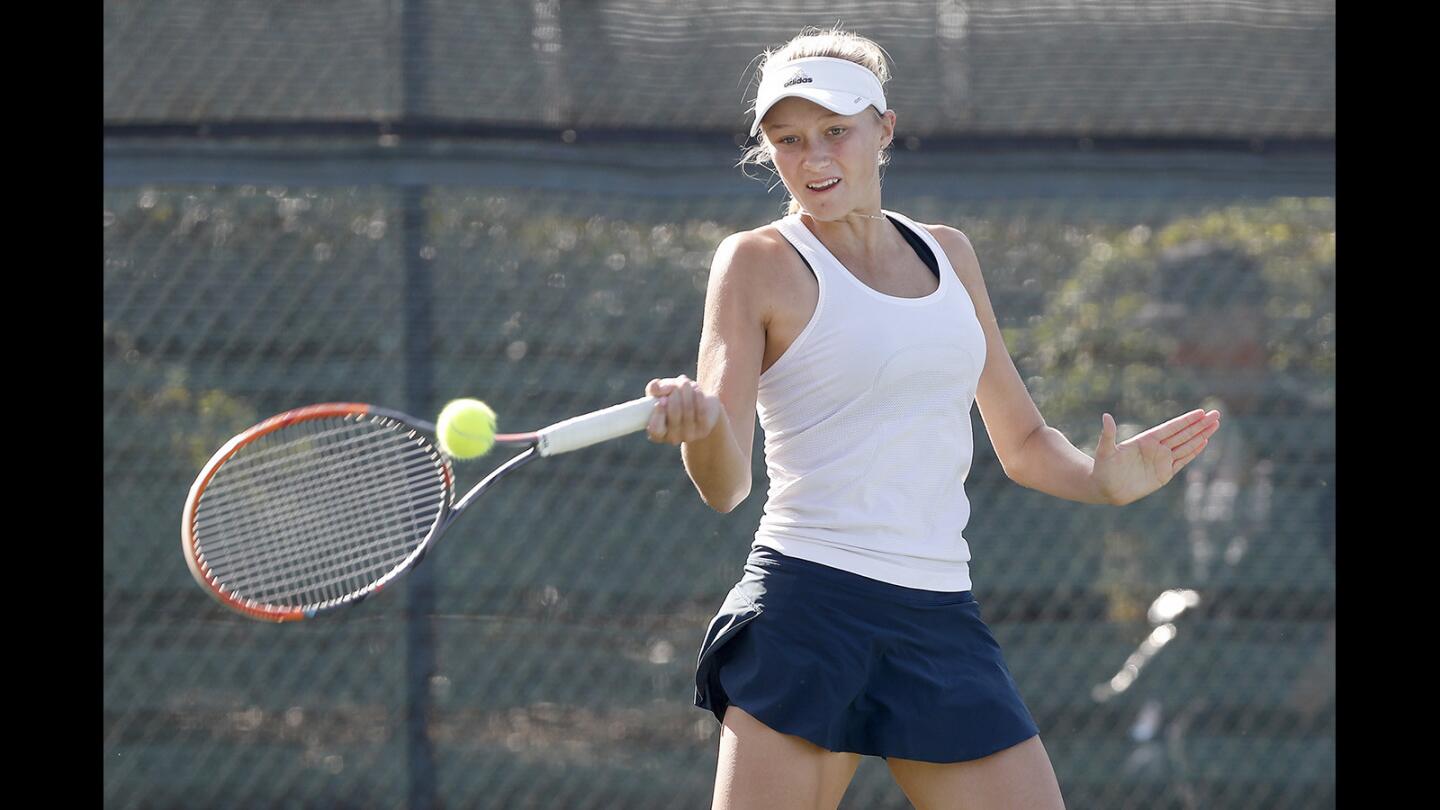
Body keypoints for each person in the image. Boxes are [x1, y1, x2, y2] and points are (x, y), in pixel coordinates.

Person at [642, 27, 1222, 810]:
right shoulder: (756, 263)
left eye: (836, 132)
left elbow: (1021, 442)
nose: (814, 159)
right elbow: (724, 485)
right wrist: (701, 429)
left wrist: (1100, 482)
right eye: (788, 139)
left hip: (938, 614)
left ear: (884, 128)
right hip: (808, 609)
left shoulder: (949, 255)